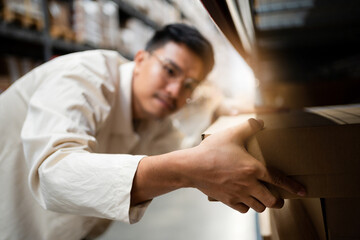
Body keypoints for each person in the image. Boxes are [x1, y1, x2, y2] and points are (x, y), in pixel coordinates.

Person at [0, 23, 305, 240]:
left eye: (189, 86)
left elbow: (191, 126)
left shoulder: (156, 122)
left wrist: (222, 109)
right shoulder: (82, 77)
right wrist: (188, 171)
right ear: (141, 59)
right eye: (170, 70)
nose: (174, 91)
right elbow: (54, 174)